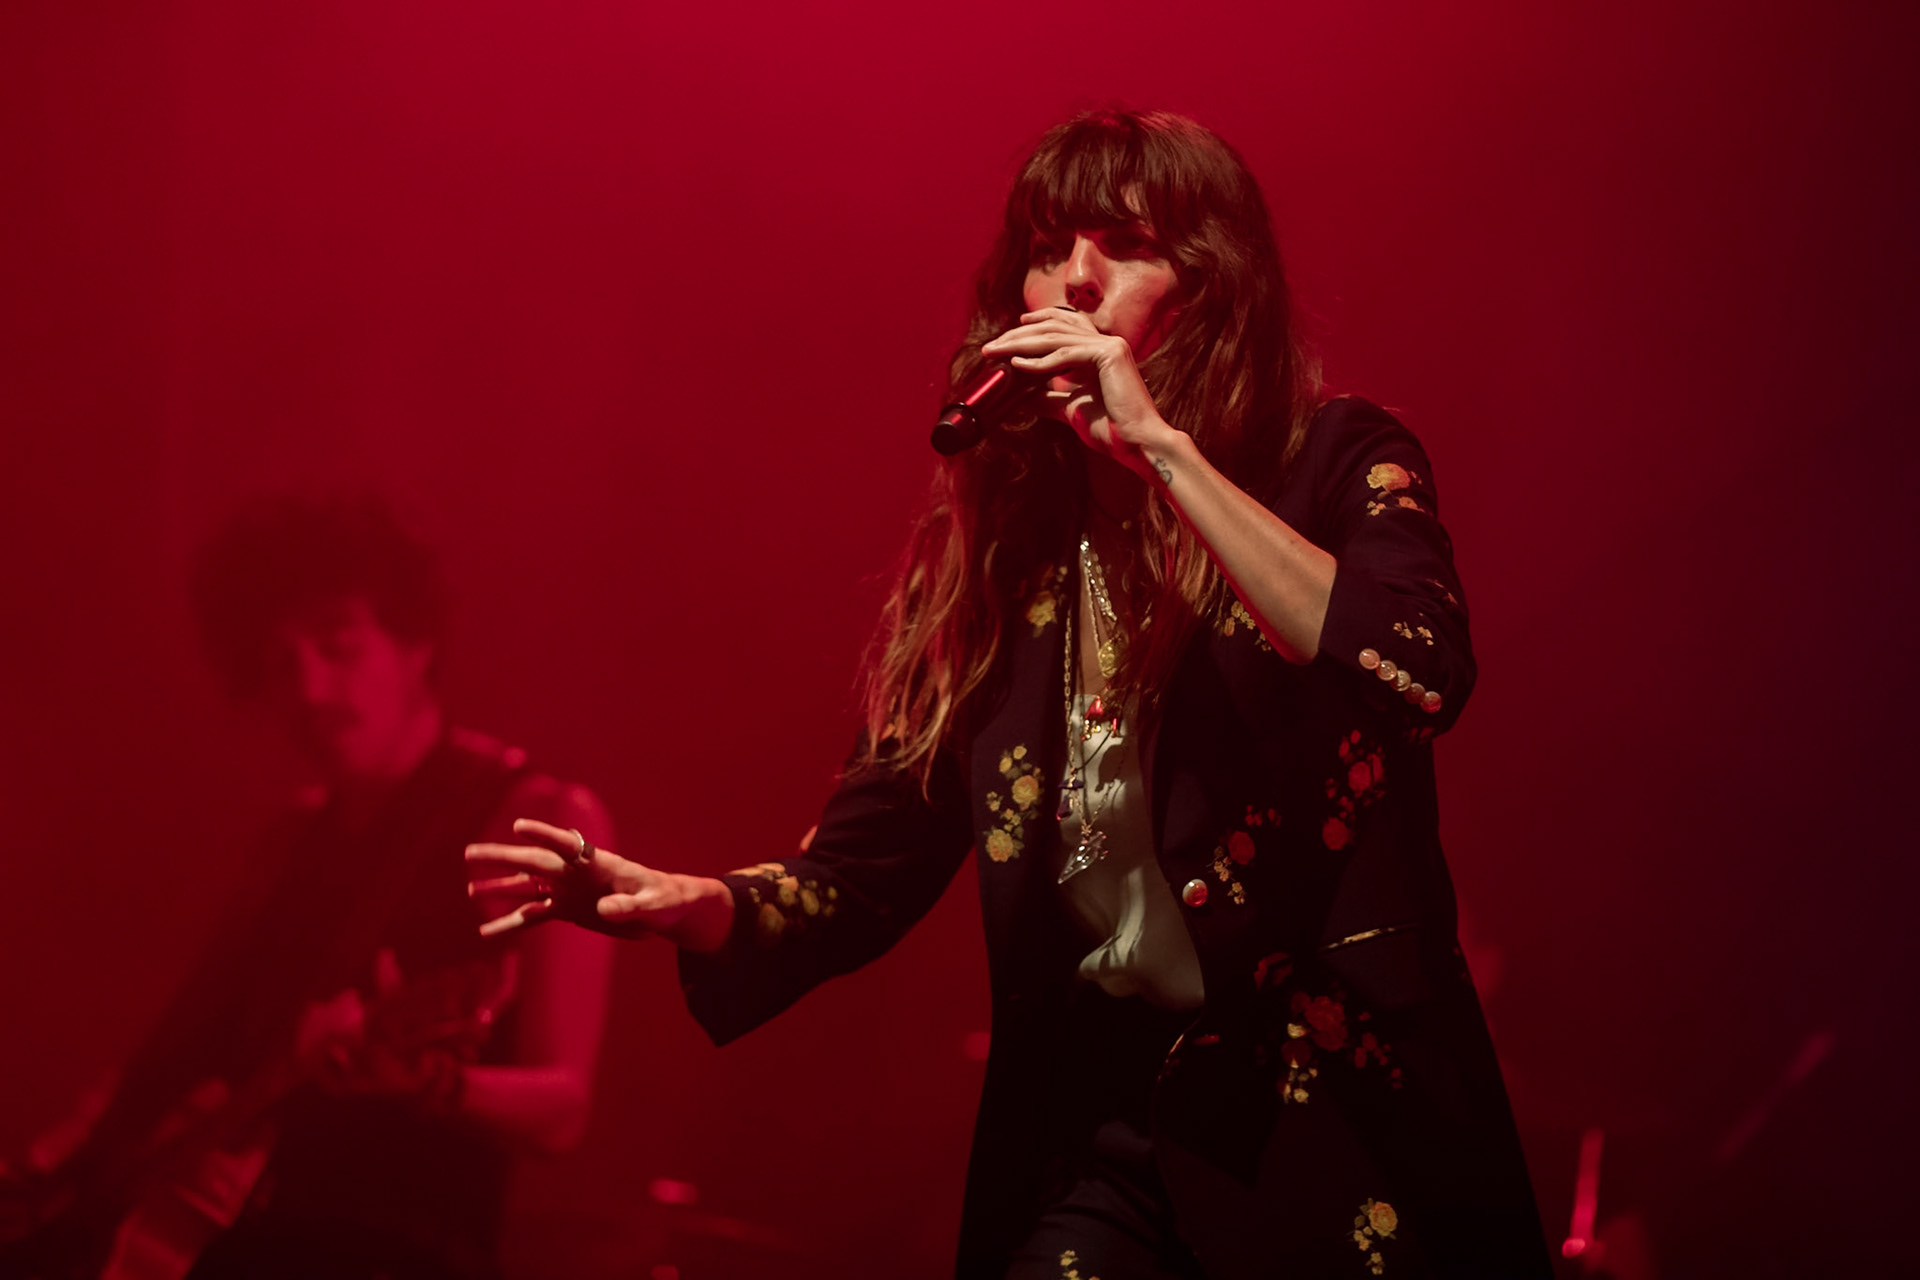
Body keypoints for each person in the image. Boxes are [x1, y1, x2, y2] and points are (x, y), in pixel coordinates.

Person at [466, 109, 1551, 1278]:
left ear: (1217, 286)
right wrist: (687, 899)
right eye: (1046, 244)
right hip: (1099, 1119)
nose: (1073, 278)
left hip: (1331, 1102)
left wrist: (1163, 449)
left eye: (1124, 242)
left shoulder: (1335, 458)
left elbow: (1416, 660)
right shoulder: (1008, 550)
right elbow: (859, 873)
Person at [3, 494, 614, 1280]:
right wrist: (68, 1161)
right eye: (279, 661)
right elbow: (180, 1054)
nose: (310, 690)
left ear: (415, 642)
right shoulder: (291, 841)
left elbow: (562, 1112)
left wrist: (428, 1081)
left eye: (338, 648)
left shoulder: (539, 816)